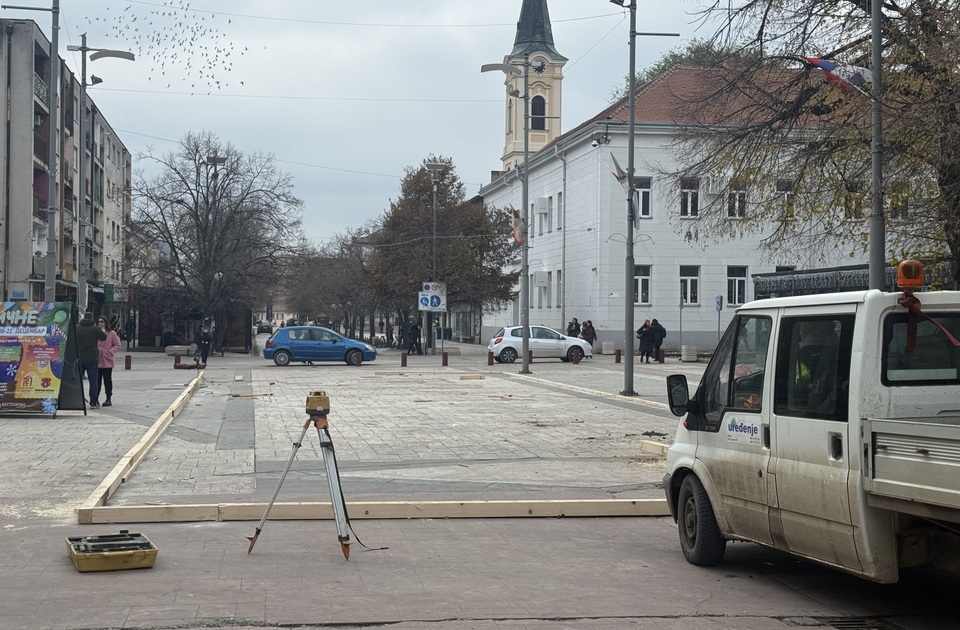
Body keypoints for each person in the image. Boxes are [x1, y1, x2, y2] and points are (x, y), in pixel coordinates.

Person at [76, 311, 107, 409]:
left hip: (79, 358)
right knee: (93, 381)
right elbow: (104, 337)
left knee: (77, 380)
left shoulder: (76, 328)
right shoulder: (96, 329)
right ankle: (93, 402)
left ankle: (76, 401)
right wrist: (101, 329)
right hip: (92, 359)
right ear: (92, 318)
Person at [96, 316, 122, 407]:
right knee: (97, 381)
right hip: (97, 360)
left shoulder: (111, 333)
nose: (100, 323)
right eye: (98, 321)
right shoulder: (96, 333)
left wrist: (110, 352)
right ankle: (96, 399)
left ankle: (108, 398)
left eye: (102, 321)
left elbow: (118, 345)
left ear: (105, 323)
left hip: (107, 361)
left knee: (107, 380)